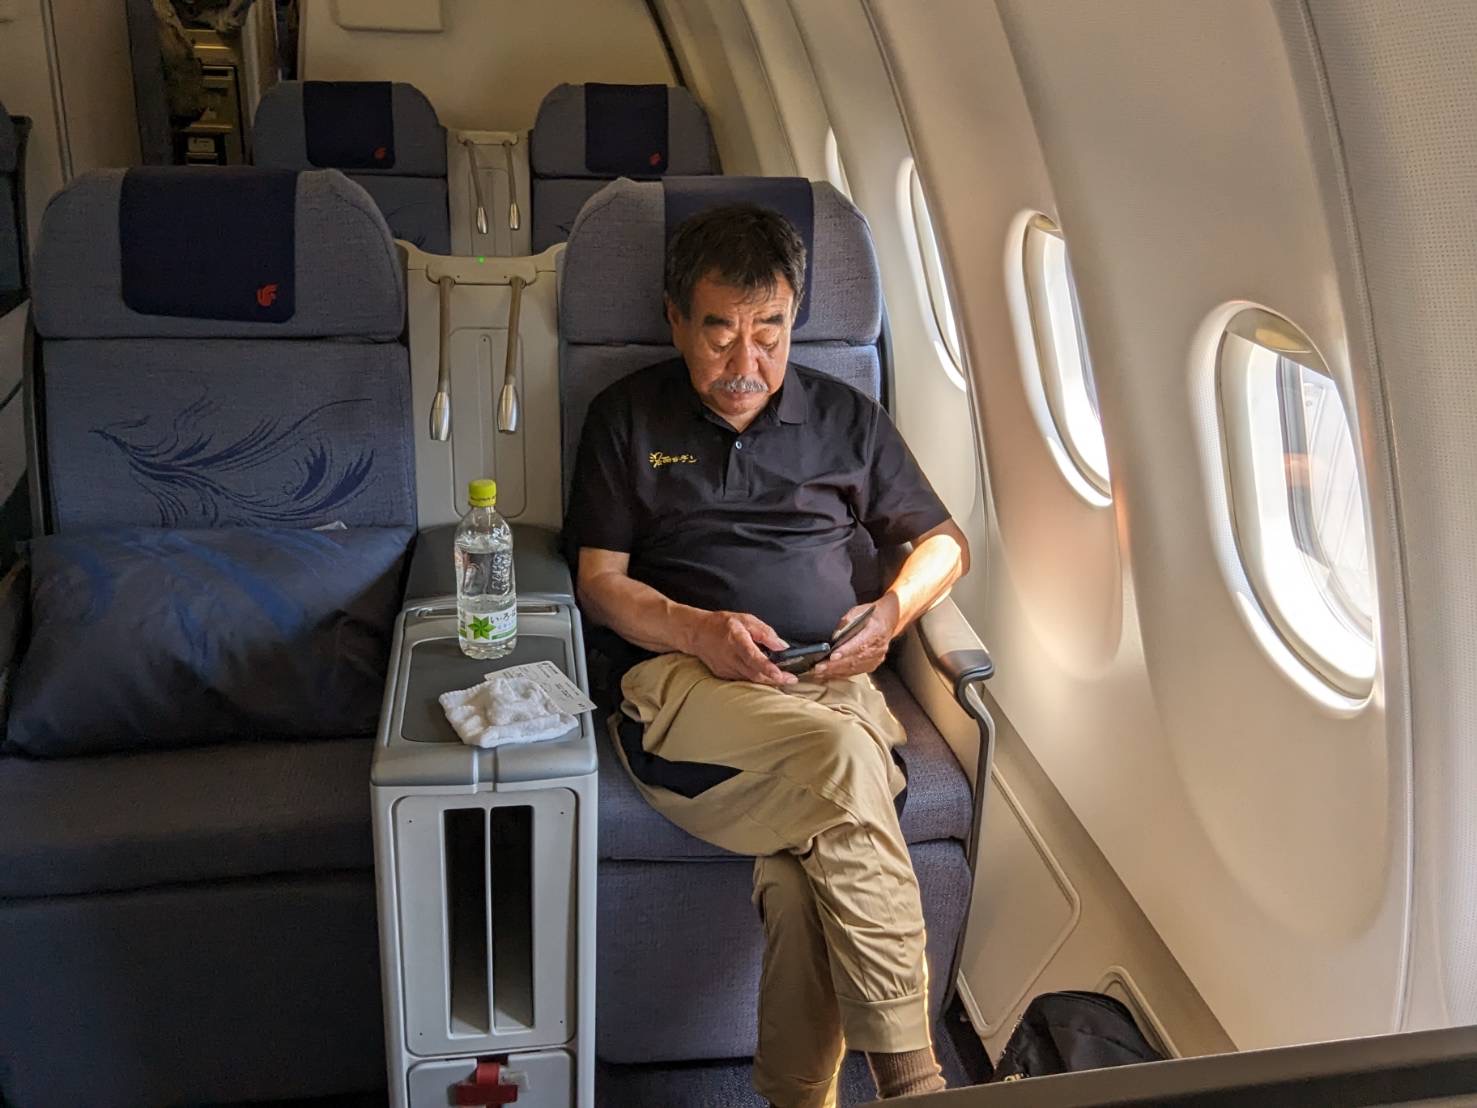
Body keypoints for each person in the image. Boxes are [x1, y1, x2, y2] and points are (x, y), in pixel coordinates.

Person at [564, 202, 970, 1107]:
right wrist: (695, 628)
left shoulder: (846, 417)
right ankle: (916, 1084)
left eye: (770, 332)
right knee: (843, 761)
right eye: (719, 334)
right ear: (676, 320)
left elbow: (945, 544)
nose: (745, 363)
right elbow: (599, 581)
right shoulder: (626, 416)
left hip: (831, 679)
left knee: (798, 883)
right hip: (685, 687)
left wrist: (892, 611)